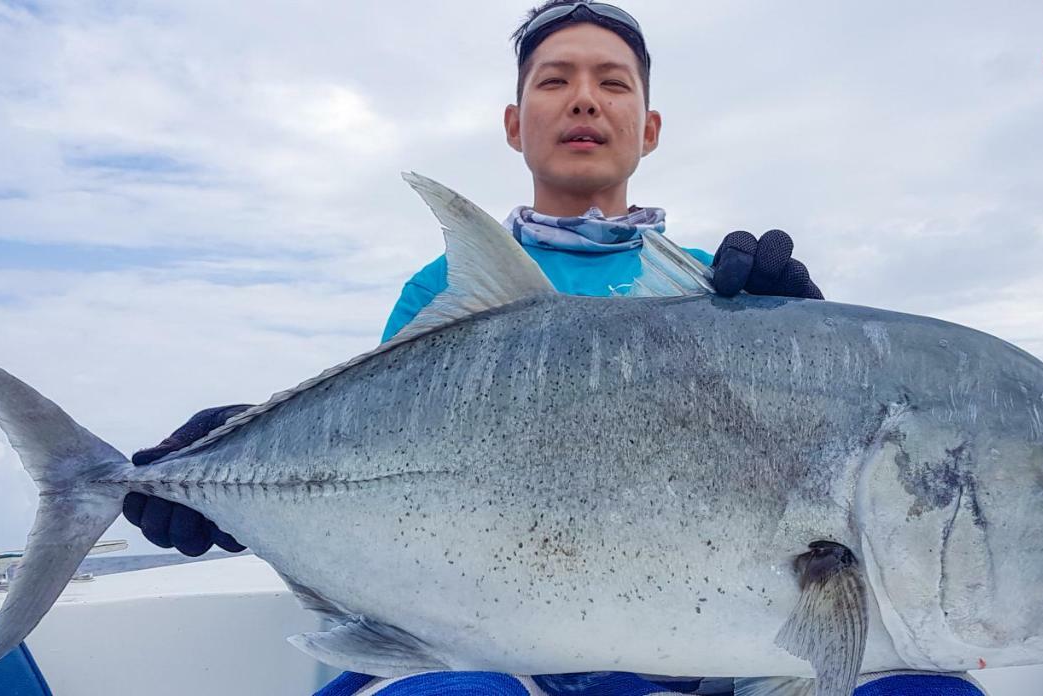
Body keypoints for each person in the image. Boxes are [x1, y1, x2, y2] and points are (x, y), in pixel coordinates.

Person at [124, 3, 984, 695]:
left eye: (611, 83)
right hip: (517, 655)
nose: (583, 99)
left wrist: (816, 357)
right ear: (514, 122)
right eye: (554, 80)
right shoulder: (443, 291)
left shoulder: (720, 296)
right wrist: (230, 478)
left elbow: (789, 483)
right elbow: (385, 469)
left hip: (719, 657)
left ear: (648, 127)